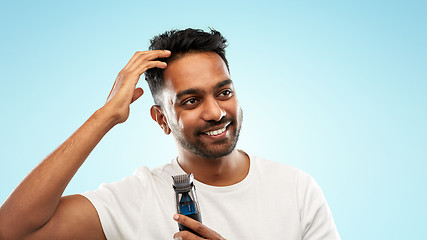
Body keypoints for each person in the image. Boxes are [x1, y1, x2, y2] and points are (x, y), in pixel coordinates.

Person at [0, 28, 340, 240]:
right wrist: (105, 116)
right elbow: (12, 230)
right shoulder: (133, 199)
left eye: (224, 92)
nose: (216, 112)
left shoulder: (296, 189)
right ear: (161, 119)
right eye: (191, 100)